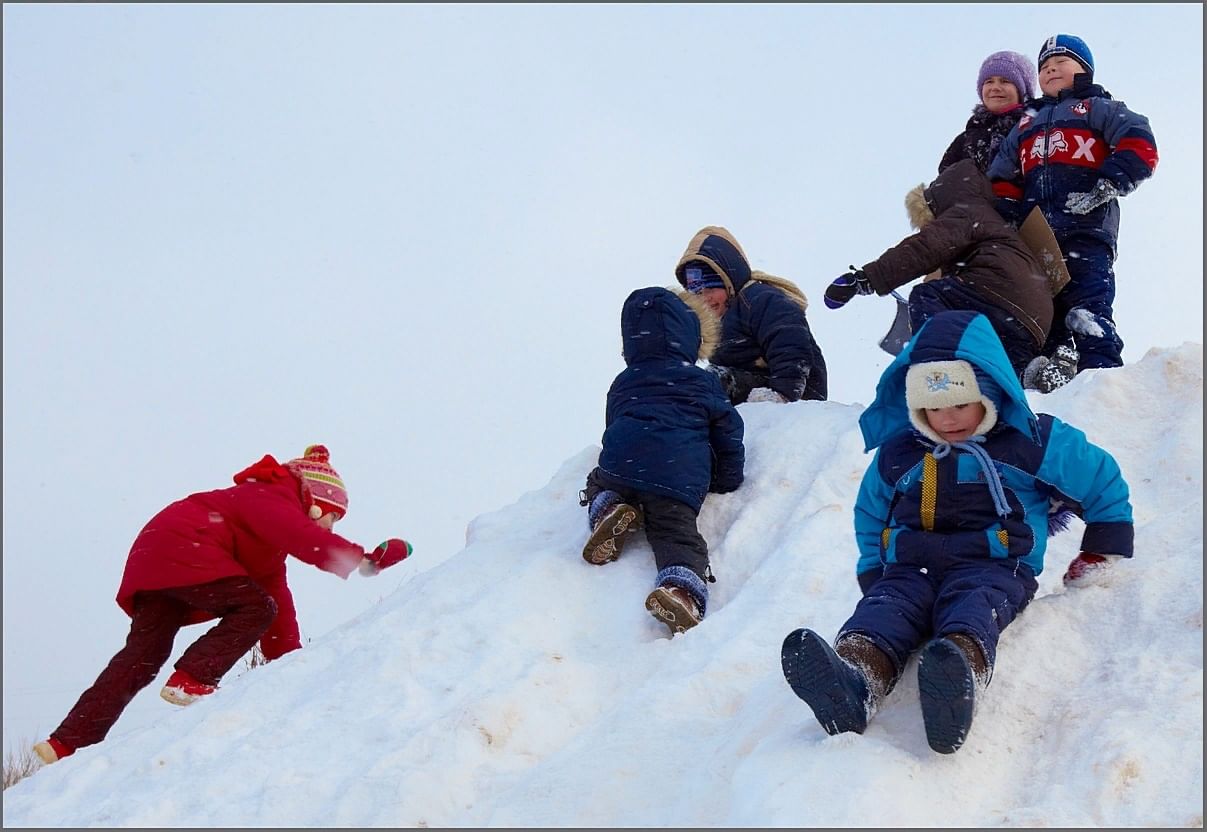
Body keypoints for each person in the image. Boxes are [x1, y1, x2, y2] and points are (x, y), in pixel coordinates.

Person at [779, 310, 1133, 754]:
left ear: (990, 391)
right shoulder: (900, 452)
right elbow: (871, 511)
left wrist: (1106, 541)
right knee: (884, 610)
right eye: (932, 408)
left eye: (960, 404)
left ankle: (957, 674)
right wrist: (875, 571)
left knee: (974, 605)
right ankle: (855, 679)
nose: (946, 420)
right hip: (912, 564)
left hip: (995, 563)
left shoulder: (1030, 439)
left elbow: (1099, 477)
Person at [33, 445, 413, 765]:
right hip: (189, 543)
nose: (329, 527)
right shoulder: (272, 495)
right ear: (315, 501)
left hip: (157, 559)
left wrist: (290, 665)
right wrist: (363, 561)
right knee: (256, 607)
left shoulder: (264, 540)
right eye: (333, 517)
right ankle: (192, 678)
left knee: (144, 655)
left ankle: (67, 743)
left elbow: (279, 603)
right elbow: (301, 537)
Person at [987, 33, 1158, 390]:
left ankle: (1103, 384)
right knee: (1042, 317)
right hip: (1038, 242)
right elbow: (1003, 175)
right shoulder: (1026, 124)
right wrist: (1007, 212)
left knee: (1088, 310)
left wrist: (1110, 182)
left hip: (1086, 232)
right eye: (1044, 67)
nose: (1050, 71)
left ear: (1084, 69)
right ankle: (1055, 388)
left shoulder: (1098, 108)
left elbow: (1139, 140)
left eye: (1060, 63)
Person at [579, 286, 745, 635]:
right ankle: (681, 589)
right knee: (676, 535)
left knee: (598, 479)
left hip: (622, 465)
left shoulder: (623, 381)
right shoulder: (703, 382)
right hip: (676, 476)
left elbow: (614, 424)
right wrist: (727, 478)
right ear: (690, 337)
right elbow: (728, 431)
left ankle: (607, 508)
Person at [822, 158, 1053, 381]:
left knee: (927, 295)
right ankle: (1032, 375)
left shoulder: (966, 211)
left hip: (998, 296)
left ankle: (936, 366)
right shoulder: (990, 220)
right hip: (1030, 320)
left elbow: (924, 249)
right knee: (1002, 368)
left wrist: (866, 279)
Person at [674, 225, 828, 404]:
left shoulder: (761, 300)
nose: (706, 298)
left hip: (796, 392)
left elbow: (790, 346)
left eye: (711, 288)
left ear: (729, 281)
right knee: (693, 383)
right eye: (698, 292)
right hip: (751, 386)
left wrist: (782, 394)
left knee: (712, 381)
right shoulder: (716, 320)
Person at [939, 50, 1038, 174]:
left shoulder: (1034, 131)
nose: (995, 88)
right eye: (989, 81)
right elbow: (943, 184)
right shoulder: (965, 140)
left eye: (1005, 81)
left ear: (1022, 92)